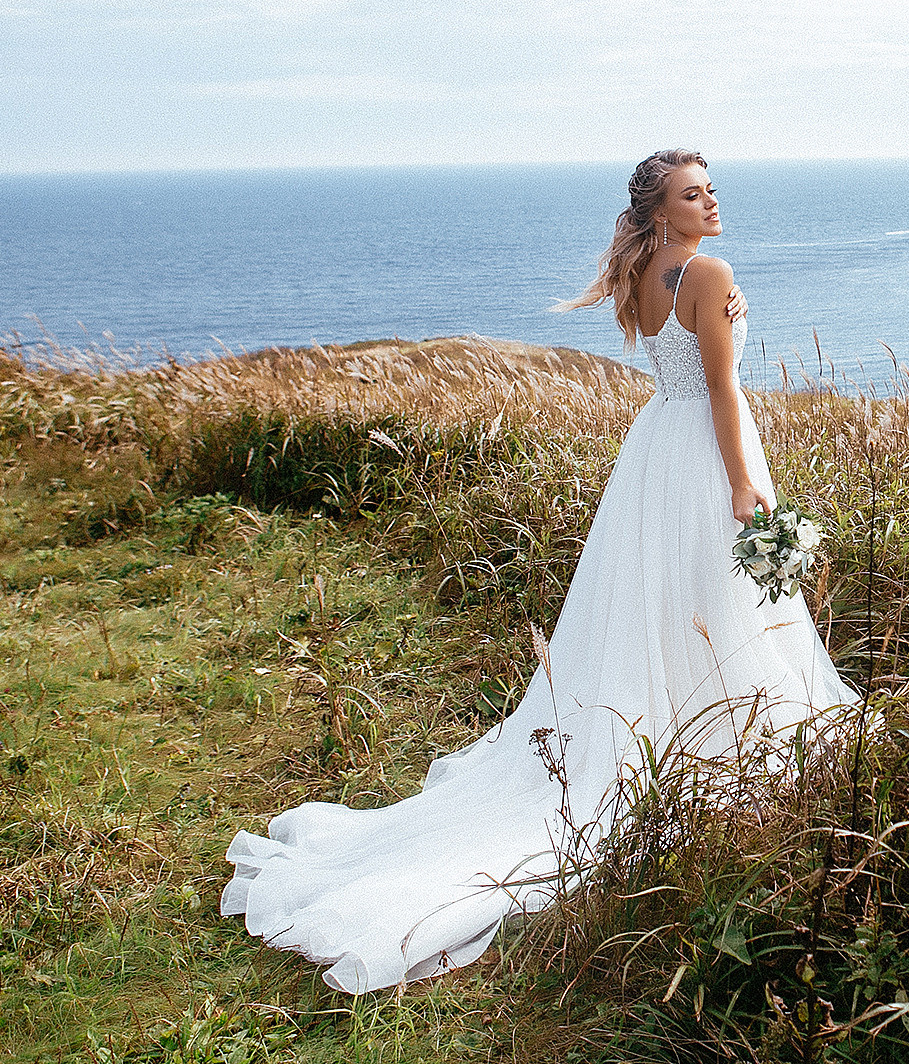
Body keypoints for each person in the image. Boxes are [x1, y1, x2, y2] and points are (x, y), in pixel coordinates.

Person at [221, 149, 858, 993]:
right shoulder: (706, 270)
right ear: (664, 211)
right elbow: (723, 391)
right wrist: (744, 482)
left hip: (651, 455)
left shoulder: (643, 271)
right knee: (714, 594)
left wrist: (721, 305)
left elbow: (675, 352)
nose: (711, 202)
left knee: (664, 597)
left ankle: (684, 723)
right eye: (693, 194)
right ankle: (720, 731)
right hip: (703, 453)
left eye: (710, 189)